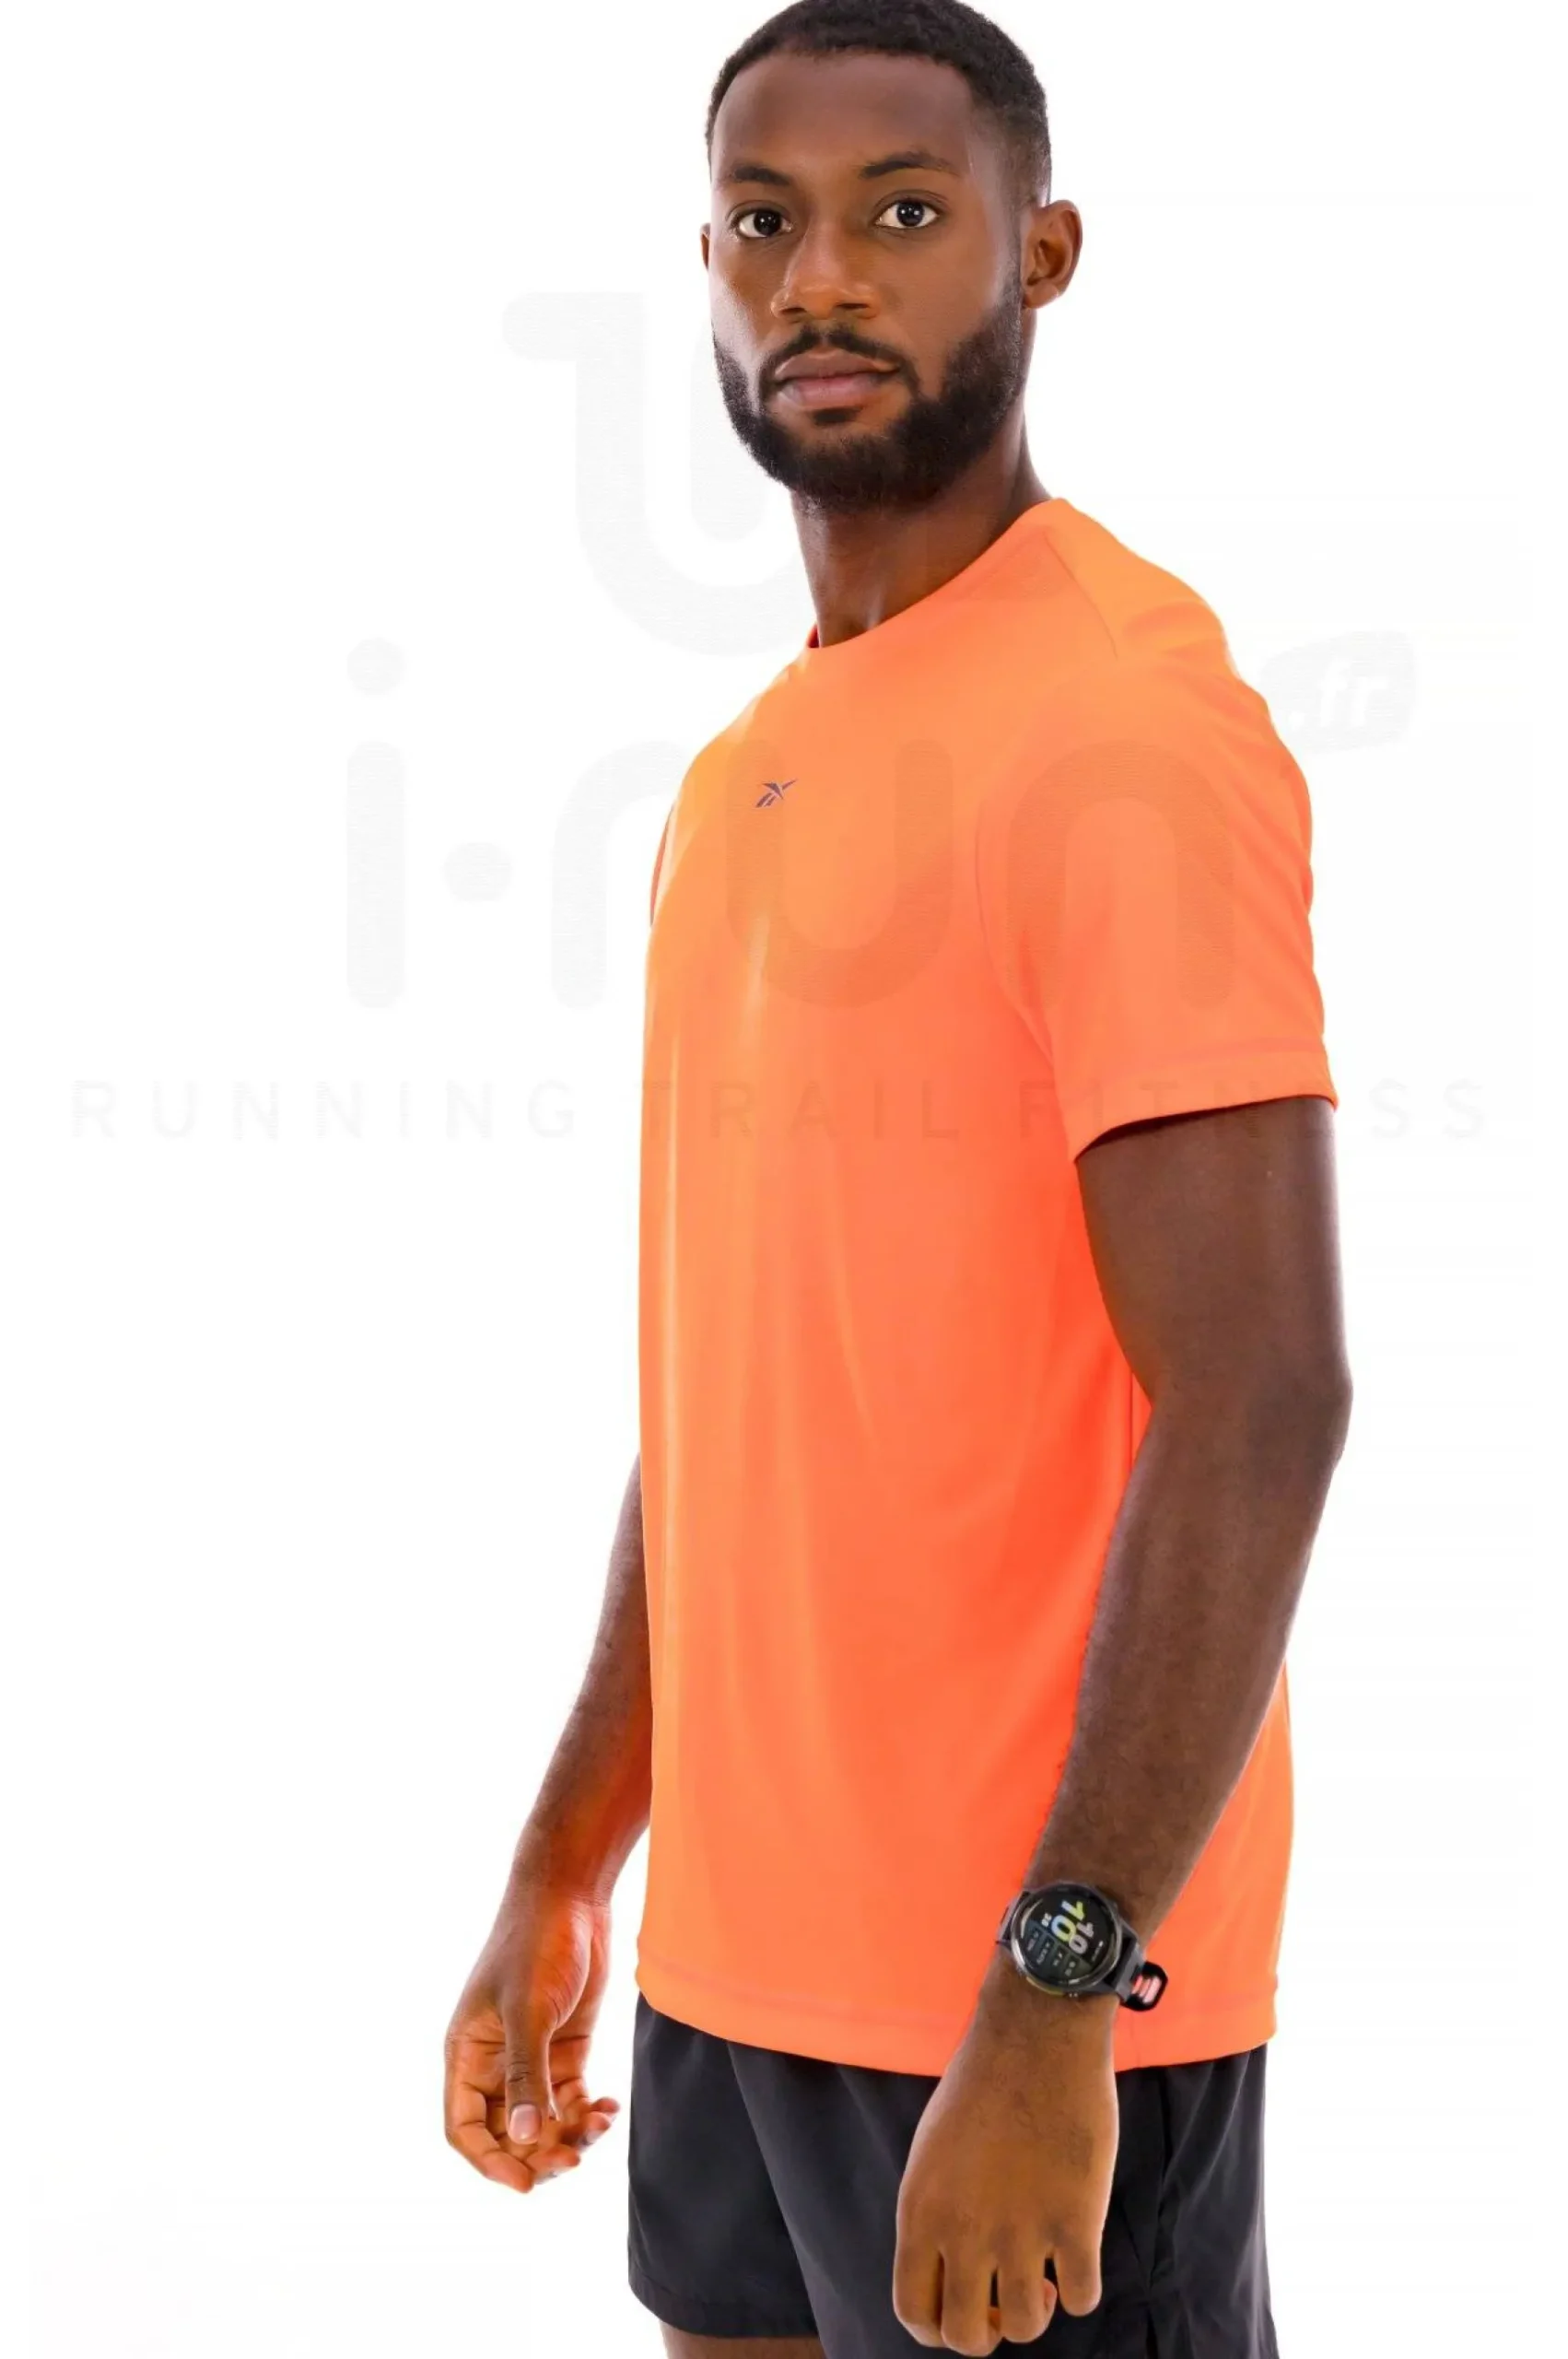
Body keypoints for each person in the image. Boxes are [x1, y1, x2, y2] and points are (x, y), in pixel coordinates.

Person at [443, 3, 1352, 2352]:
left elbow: (1261, 1397)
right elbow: (737, 1386)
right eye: (763, 222)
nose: (820, 277)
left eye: (903, 213)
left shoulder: (1122, 725)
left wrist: (1053, 1992)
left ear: (1039, 253)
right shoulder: (742, 768)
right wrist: (573, 1844)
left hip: (1027, 2006)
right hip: (738, 1968)